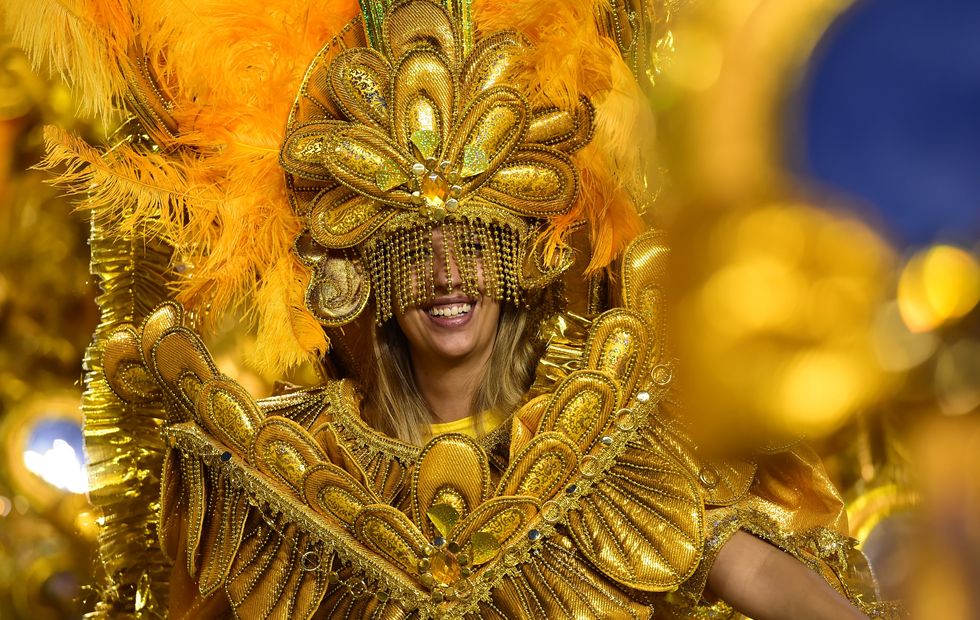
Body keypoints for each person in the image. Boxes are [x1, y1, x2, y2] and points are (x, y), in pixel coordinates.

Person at [8, 0, 900, 617]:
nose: (446, 277)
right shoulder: (284, 474)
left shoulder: (614, 450)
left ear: (515, 264)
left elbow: (773, 583)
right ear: (365, 273)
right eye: (410, 252)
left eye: (474, 246)